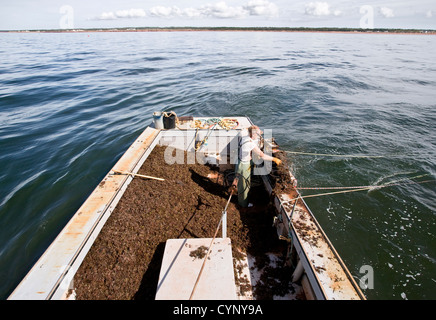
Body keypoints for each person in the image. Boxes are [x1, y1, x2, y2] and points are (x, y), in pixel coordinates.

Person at [229, 125, 282, 207]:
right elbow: (262, 155)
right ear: (252, 134)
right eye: (257, 134)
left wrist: (257, 131)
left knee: (238, 179)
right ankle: (243, 204)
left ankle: (234, 187)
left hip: (239, 163)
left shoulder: (244, 137)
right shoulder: (250, 143)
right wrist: (274, 159)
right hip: (244, 166)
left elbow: (249, 130)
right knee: (244, 187)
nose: (258, 135)